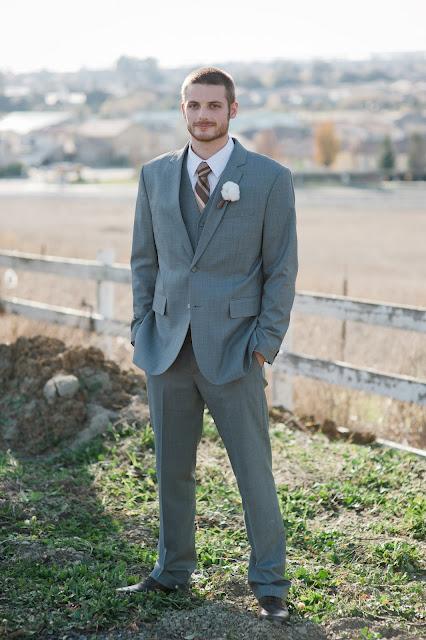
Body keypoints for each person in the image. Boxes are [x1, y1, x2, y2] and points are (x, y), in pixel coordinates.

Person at [117, 66, 298, 624]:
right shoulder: (153, 176)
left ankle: (269, 582)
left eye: (213, 106)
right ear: (182, 110)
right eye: (193, 105)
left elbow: (281, 270)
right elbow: (144, 262)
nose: (202, 115)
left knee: (253, 471)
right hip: (167, 349)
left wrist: (265, 344)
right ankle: (172, 570)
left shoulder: (268, 178)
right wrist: (139, 326)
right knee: (172, 469)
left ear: (232, 110)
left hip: (237, 350)